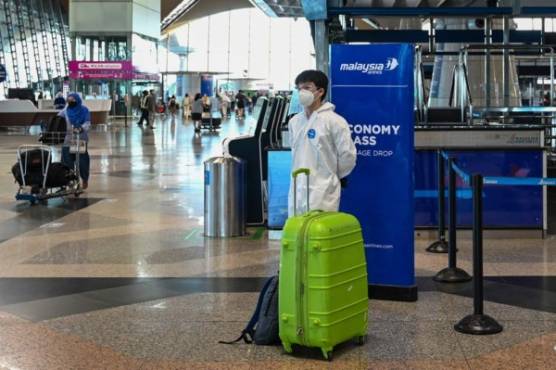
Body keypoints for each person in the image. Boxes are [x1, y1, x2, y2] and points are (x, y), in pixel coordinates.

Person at [287, 70, 356, 217]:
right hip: (297, 188)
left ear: (320, 91)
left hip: (323, 190)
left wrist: (330, 176)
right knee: (297, 234)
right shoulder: (294, 122)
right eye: (299, 88)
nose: (301, 92)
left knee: (320, 234)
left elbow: (347, 156)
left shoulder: (334, 121)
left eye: (307, 88)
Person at [58, 93, 91, 190]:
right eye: (68, 100)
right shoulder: (65, 111)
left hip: (79, 139)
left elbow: (87, 123)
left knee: (82, 161)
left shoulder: (84, 110)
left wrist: (81, 128)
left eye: (72, 100)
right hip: (67, 140)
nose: (70, 102)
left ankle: (84, 178)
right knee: (66, 161)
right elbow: (58, 119)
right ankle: (70, 179)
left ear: (77, 100)